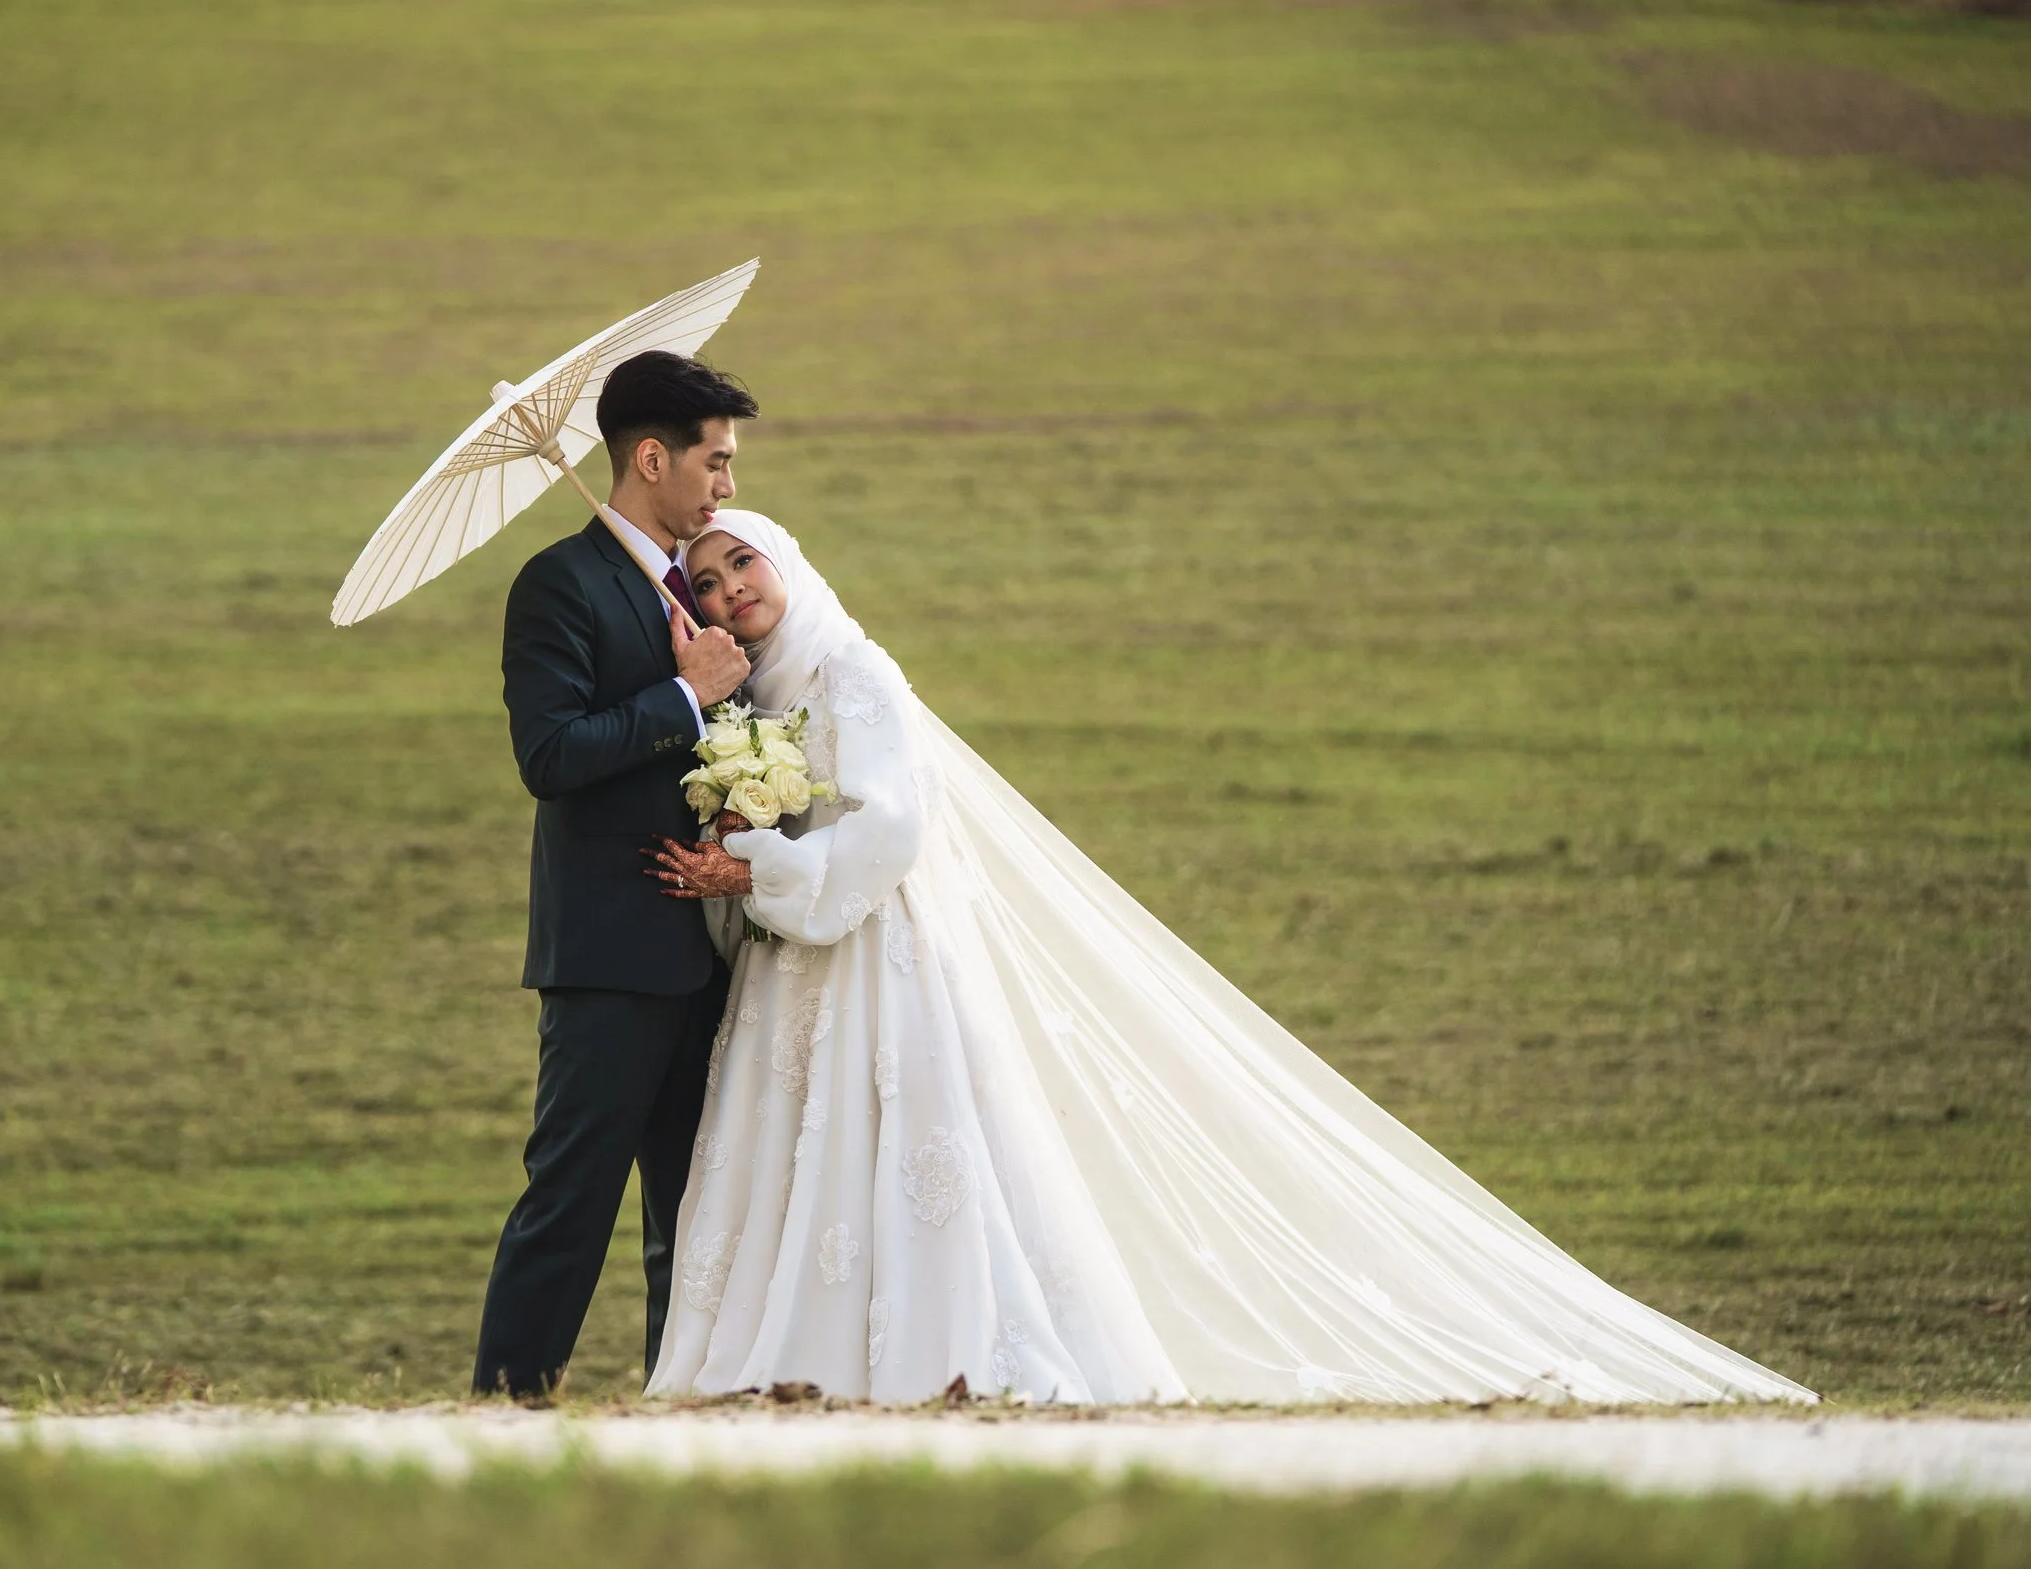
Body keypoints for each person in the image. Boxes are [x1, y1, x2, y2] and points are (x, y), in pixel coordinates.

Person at [646, 511, 1815, 1406]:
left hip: (879, 961)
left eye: (742, 564)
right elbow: (789, 833)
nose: (730, 590)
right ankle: (801, 1353)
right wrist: (739, 853)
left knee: (909, 1145)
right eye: (704, 581)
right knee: (803, 1147)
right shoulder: (760, 700)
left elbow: (896, 829)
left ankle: (939, 1352)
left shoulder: (856, 673)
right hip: (795, 965)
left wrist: (764, 871)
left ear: (786, 563)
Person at [470, 351, 758, 1399]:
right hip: (606, 958)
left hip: (712, 958)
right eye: (714, 462)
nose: (726, 486)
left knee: (696, 1212)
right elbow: (547, 756)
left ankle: (675, 1404)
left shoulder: (707, 583)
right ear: (651, 457)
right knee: (570, 1202)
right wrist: (683, 700)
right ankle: (506, 1405)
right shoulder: (558, 584)